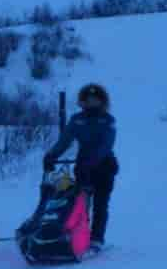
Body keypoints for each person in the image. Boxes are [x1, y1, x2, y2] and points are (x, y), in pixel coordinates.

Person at [43, 83, 118, 254]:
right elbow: (65, 140)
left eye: (95, 99)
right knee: (80, 203)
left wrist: (91, 161)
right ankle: (78, 235)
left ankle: (97, 239)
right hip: (83, 168)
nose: (91, 102)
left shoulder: (108, 121)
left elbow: (106, 145)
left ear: (101, 101)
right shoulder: (77, 120)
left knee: (100, 204)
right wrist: (51, 155)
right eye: (88, 99)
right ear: (82, 102)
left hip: (104, 168)